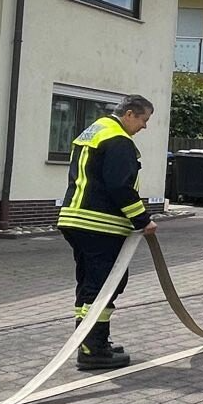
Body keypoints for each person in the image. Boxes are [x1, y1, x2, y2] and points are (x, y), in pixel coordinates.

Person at [57, 95, 157, 370]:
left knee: (89, 284)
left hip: (76, 220)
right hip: (100, 224)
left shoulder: (94, 132)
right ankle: (93, 349)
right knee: (105, 286)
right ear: (129, 114)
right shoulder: (119, 141)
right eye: (144, 120)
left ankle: (93, 340)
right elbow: (119, 186)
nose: (145, 127)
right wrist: (142, 219)